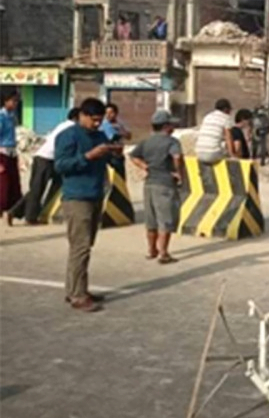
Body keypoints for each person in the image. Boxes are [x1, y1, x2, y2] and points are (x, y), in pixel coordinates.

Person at [54, 98, 120, 312]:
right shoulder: (68, 136)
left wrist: (115, 155)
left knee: (85, 246)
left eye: (100, 120)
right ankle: (77, 295)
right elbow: (61, 165)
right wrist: (88, 157)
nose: (97, 124)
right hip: (76, 197)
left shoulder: (100, 136)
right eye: (94, 120)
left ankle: (75, 288)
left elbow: (109, 162)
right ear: (82, 115)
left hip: (95, 194)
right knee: (80, 247)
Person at [9, 108, 79, 225]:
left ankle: (41, 211)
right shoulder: (72, 127)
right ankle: (27, 216)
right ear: (77, 117)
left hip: (47, 157)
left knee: (53, 186)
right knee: (37, 189)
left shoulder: (63, 125)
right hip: (47, 158)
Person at [130, 110, 183, 264]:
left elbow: (133, 156)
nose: (173, 127)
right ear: (166, 126)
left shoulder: (146, 141)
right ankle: (163, 253)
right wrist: (178, 173)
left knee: (151, 220)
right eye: (171, 124)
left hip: (149, 184)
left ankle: (151, 250)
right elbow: (177, 157)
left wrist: (145, 167)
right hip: (165, 184)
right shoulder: (172, 142)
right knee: (165, 219)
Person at [1, 88, 23, 226]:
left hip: (12, 152)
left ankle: (12, 212)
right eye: (13, 101)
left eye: (17, 101)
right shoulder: (1, 117)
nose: (15, 104)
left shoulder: (12, 116)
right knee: (3, 185)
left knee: (14, 185)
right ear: (5, 101)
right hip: (2, 153)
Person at [195, 99, 236, 163]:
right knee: (225, 149)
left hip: (199, 153)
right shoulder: (226, 118)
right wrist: (232, 155)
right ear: (226, 109)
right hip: (212, 155)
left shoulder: (207, 117)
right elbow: (228, 138)